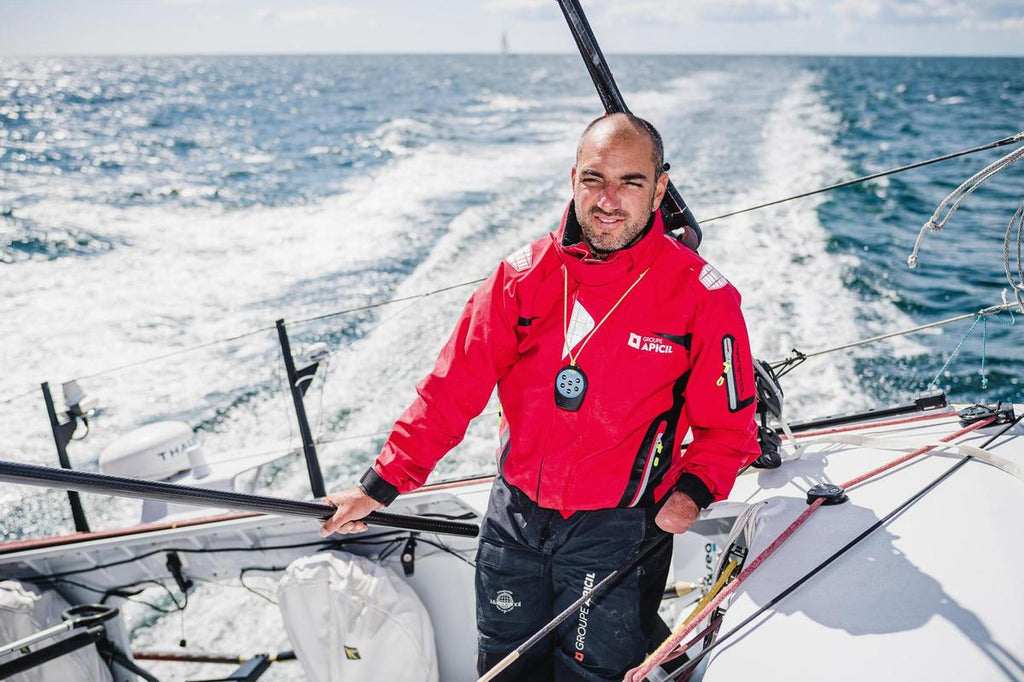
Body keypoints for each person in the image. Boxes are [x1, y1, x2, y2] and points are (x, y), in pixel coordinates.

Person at [320, 113, 759, 681]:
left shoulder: (703, 297)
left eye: (631, 182)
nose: (608, 199)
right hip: (514, 523)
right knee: (503, 670)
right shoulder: (519, 279)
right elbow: (450, 393)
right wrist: (379, 485)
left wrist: (694, 492)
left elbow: (729, 430)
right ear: (573, 178)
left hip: (619, 531)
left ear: (660, 189)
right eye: (594, 179)